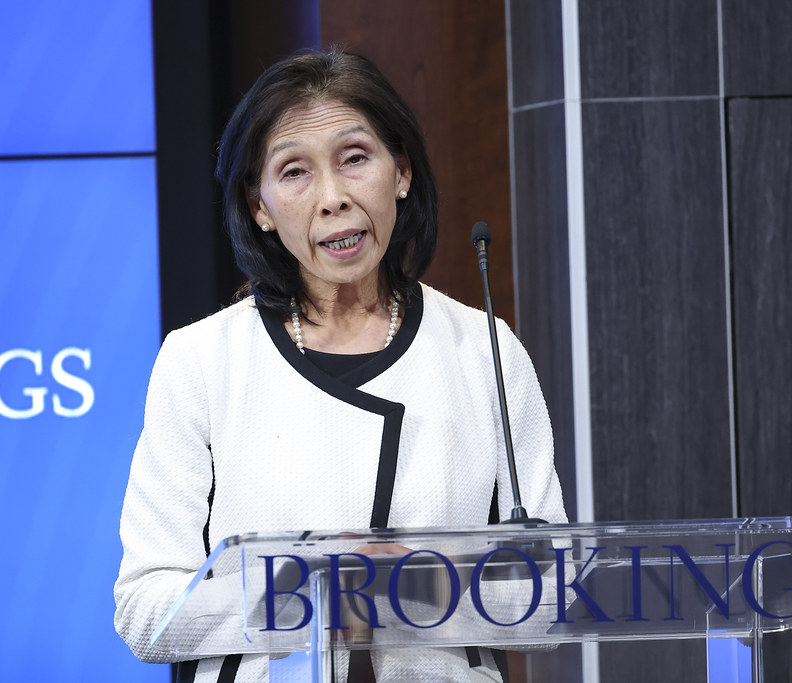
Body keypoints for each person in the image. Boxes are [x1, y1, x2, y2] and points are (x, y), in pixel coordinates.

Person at [114, 49, 567, 683]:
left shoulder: (483, 348)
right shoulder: (201, 360)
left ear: (401, 172)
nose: (333, 198)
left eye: (355, 158)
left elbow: (554, 597)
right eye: (294, 171)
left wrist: (420, 585)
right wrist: (313, 593)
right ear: (259, 206)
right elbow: (145, 612)